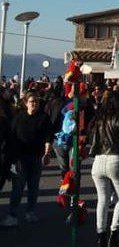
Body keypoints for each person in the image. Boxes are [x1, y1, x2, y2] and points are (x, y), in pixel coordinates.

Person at [0, 93, 54, 227]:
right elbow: (11, 138)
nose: (34, 103)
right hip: (19, 158)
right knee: (17, 187)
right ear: (25, 103)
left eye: (36, 101)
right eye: (32, 101)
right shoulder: (19, 118)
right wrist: (12, 159)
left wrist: (47, 152)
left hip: (36, 157)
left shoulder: (44, 118)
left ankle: (30, 212)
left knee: (33, 187)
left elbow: (48, 136)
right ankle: (12, 215)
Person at [89, 93, 119, 247]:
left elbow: (91, 139)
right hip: (117, 159)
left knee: (102, 199)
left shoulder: (98, 120)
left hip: (99, 160)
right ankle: (114, 233)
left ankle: (100, 234)